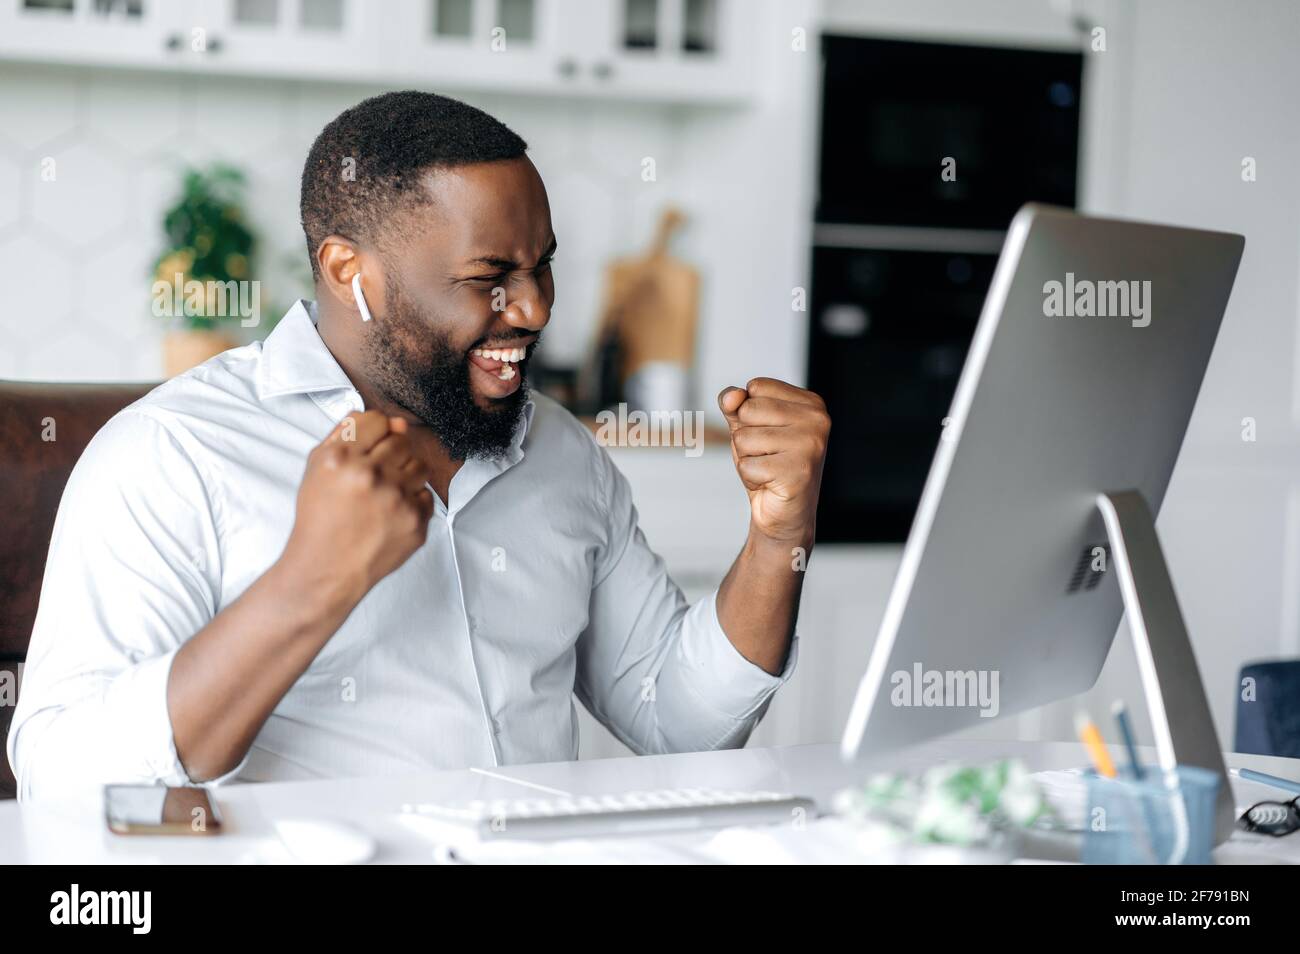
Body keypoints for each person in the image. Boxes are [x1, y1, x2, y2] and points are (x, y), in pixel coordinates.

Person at [7, 91, 830, 798]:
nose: (536, 309)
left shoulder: (561, 452)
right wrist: (309, 585)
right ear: (347, 271)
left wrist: (778, 538)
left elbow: (677, 724)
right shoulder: (173, 455)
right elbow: (61, 783)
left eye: (543, 267)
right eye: (489, 279)